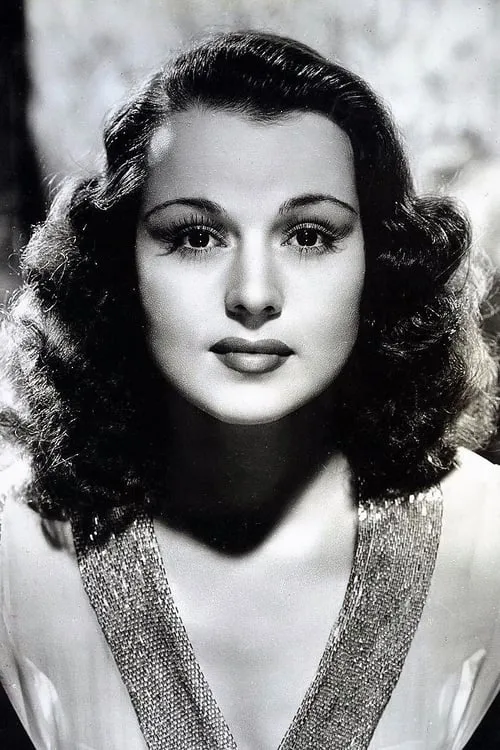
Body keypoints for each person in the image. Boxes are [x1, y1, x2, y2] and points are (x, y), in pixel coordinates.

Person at [0, 30, 499, 750]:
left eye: (310, 236)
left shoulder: (488, 542)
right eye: (197, 237)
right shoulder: (17, 560)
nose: (254, 295)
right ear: (120, 266)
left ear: (379, 263)